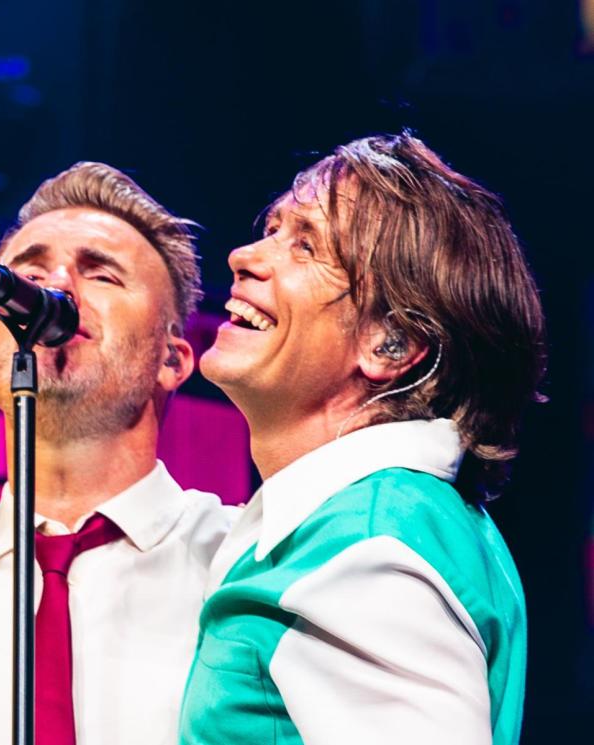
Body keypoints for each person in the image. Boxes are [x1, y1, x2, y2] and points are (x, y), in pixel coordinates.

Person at [178, 133, 544, 745]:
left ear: (390, 345)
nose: (244, 255)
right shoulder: (381, 523)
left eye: (307, 244)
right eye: (271, 229)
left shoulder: (370, 552)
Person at [0, 162, 235, 745]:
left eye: (101, 275)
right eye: (30, 273)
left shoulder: (242, 560)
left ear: (172, 360)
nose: (57, 291)